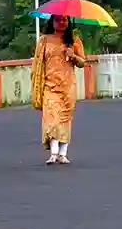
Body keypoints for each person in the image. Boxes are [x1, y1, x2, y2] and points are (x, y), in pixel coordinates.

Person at [30, 14, 89, 165]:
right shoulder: (44, 40)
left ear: (68, 22)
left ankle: (63, 154)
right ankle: (54, 153)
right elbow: (38, 63)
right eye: (58, 20)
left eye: (64, 20)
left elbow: (83, 62)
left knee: (65, 119)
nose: (61, 22)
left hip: (68, 86)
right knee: (51, 118)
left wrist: (73, 55)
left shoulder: (74, 41)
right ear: (52, 22)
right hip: (49, 86)